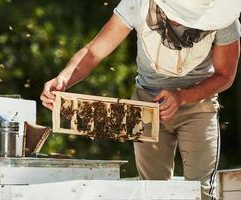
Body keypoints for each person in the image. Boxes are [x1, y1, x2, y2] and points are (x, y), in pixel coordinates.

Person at [40, 0, 241, 199]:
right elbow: (93, 53)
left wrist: (182, 97)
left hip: (198, 105)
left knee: (201, 192)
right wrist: (64, 77)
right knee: (154, 191)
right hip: (148, 105)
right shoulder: (137, 4)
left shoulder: (223, 16)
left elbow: (225, 75)